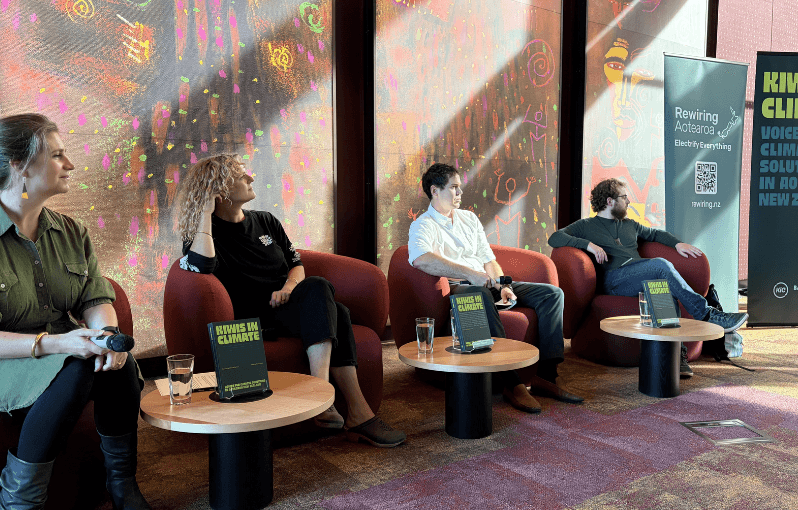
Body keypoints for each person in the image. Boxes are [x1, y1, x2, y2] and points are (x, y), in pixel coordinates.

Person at [177, 154, 405, 448]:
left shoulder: (265, 221)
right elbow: (203, 265)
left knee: (324, 294)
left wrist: (288, 287)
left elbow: (296, 263)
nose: (251, 178)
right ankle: (352, 411)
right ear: (219, 191)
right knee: (339, 311)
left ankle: (322, 395)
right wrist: (206, 215)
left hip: (284, 307)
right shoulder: (203, 236)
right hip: (250, 322)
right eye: (241, 175)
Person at [0, 114, 149, 509]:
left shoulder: (72, 232)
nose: (70, 165)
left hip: (65, 354)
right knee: (83, 361)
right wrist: (59, 343)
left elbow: (95, 299)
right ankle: (19, 501)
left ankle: (122, 484)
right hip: (8, 360)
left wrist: (106, 336)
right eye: (58, 155)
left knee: (115, 361)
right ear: (20, 164)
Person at [408, 163, 584, 414]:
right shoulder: (423, 225)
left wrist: (503, 285)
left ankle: (546, 375)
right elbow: (420, 258)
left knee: (551, 294)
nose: (460, 193)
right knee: (477, 294)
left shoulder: (468, 218)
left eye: (460, 187)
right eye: (454, 188)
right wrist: (471, 275)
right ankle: (512, 383)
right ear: (435, 191)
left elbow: (488, 258)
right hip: (462, 289)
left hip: (486, 282)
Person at [548, 178, 749, 377]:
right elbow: (555, 237)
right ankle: (706, 314)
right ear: (610, 201)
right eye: (624, 197)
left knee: (661, 287)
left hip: (638, 276)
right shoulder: (586, 226)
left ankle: (674, 354)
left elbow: (655, 234)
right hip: (614, 280)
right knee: (660, 266)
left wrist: (678, 244)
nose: (628, 201)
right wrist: (588, 245)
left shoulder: (630, 225)